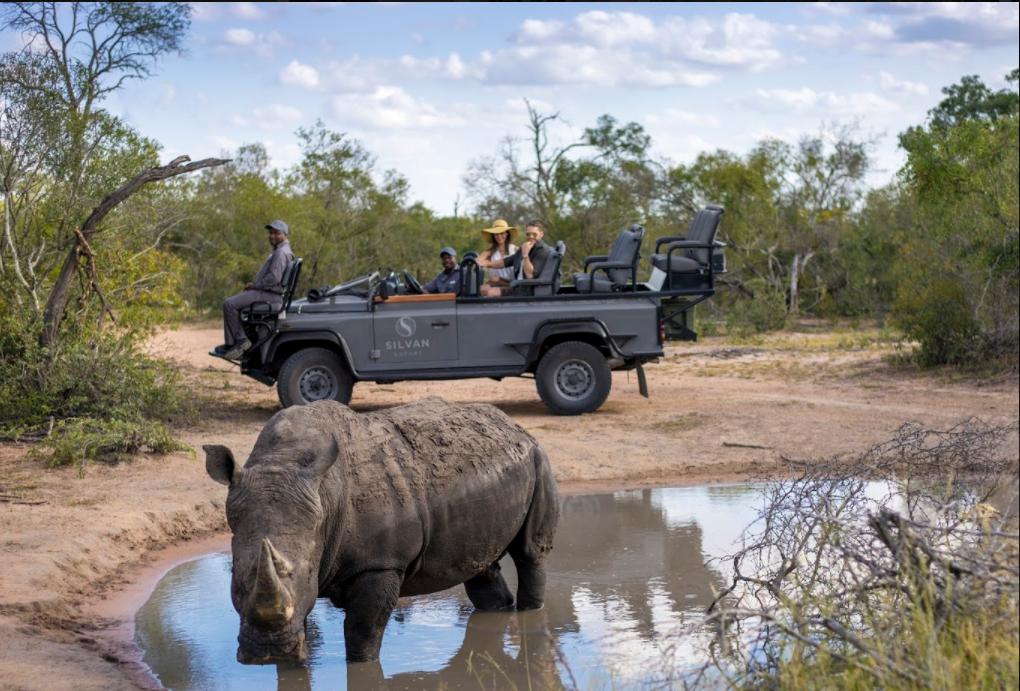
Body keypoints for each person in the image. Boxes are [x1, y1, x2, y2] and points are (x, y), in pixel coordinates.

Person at [214, 220, 294, 360]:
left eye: (277, 233)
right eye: (271, 233)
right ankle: (236, 342)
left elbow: (274, 279)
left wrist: (255, 287)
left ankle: (238, 342)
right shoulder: (281, 250)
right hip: (269, 293)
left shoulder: (281, 253)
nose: (272, 236)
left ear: (285, 234)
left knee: (229, 304)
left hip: (271, 295)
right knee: (233, 304)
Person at [477, 220, 550, 296]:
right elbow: (506, 262)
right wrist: (487, 263)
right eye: (528, 234)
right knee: (482, 289)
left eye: (534, 234)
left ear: (541, 234)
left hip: (525, 288)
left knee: (491, 292)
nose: (531, 236)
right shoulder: (527, 247)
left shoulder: (541, 250)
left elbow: (530, 275)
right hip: (516, 284)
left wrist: (525, 254)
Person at [477, 219, 518, 297]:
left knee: (490, 292)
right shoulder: (490, 251)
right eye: (496, 234)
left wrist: (500, 279)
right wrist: (483, 262)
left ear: (506, 234)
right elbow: (477, 261)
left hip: (511, 284)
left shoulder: (515, 250)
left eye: (501, 233)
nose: (499, 236)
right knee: (482, 289)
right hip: (495, 283)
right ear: (493, 235)